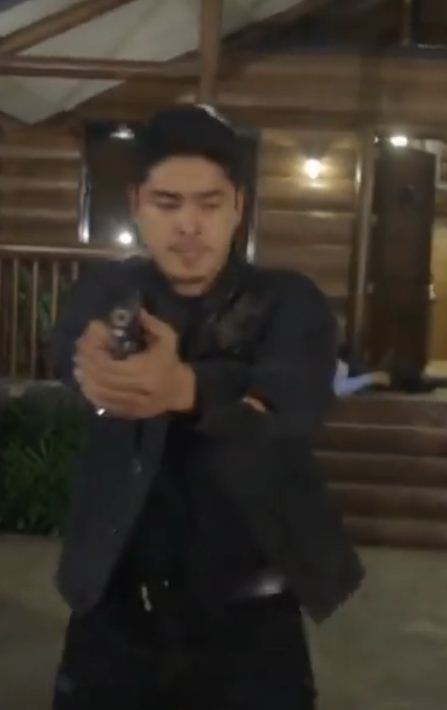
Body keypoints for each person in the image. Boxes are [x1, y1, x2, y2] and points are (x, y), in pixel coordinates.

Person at [49, 105, 364, 709]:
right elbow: (72, 348)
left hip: (253, 623)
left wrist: (184, 389)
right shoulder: (108, 292)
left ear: (238, 206)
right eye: (167, 203)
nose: (189, 225)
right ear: (137, 204)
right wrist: (95, 366)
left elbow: (295, 399)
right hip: (115, 614)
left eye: (209, 203)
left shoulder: (289, 300)